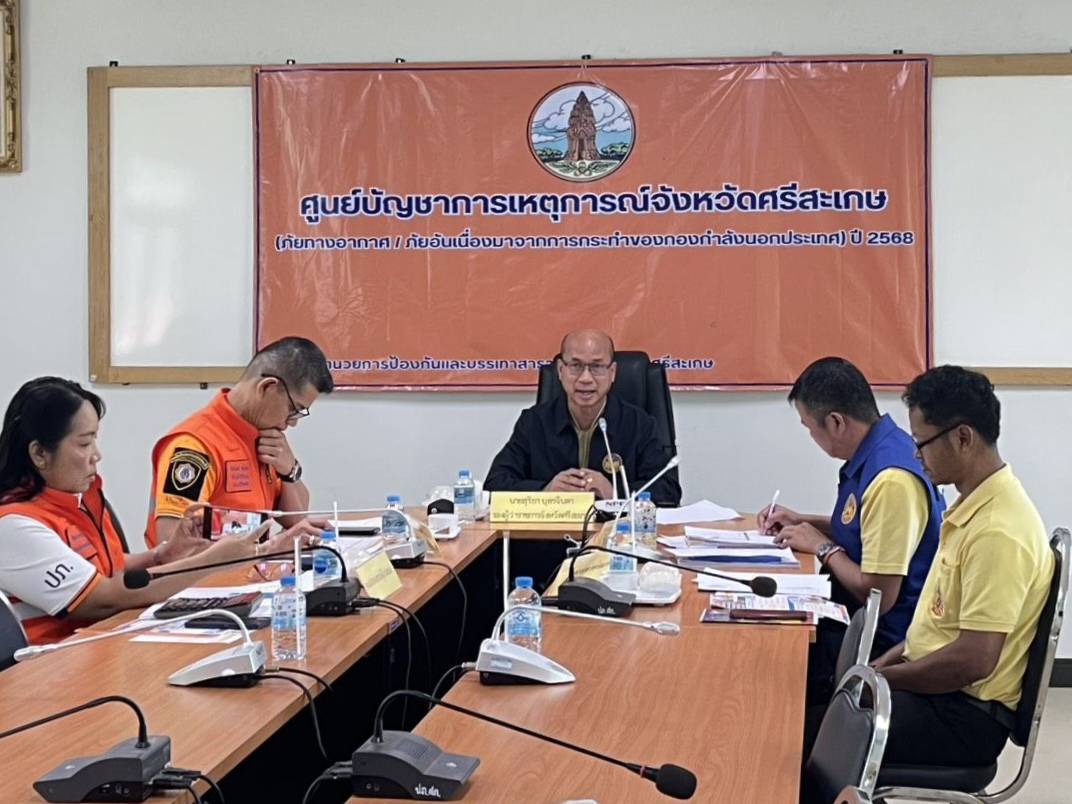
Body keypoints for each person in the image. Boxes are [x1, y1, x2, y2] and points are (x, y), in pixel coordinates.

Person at [0, 377, 321, 644]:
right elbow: (102, 597)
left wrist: (164, 554)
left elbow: (107, 566)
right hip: (55, 668)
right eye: (84, 444)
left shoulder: (77, 498)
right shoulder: (14, 524)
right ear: (40, 454)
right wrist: (213, 561)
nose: (96, 455)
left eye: (95, 440)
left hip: (105, 642)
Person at [869, 366, 1054, 766]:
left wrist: (882, 680)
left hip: (962, 719)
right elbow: (938, 630)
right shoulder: (974, 507)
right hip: (939, 694)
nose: (916, 455)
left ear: (963, 438)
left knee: (810, 740)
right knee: (818, 716)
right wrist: (885, 665)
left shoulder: (998, 531)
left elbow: (974, 660)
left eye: (921, 442)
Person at [758, 357, 944, 697]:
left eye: (809, 428)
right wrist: (803, 522)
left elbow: (878, 597)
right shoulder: (882, 447)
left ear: (835, 422)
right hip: (855, 618)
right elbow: (864, 531)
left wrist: (822, 547)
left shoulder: (891, 481)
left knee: (769, 661)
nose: (811, 437)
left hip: (882, 643)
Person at [145, 336, 333, 548]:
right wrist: (267, 549)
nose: (292, 422)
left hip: (255, 566)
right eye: (293, 409)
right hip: (214, 571)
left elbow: (296, 520)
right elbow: (172, 545)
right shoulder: (195, 446)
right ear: (267, 387)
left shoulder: (264, 437)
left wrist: (290, 471)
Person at [485, 329, 681, 506]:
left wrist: (614, 491)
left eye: (597, 366)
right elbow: (494, 485)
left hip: (616, 532)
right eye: (576, 366)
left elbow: (668, 491)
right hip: (552, 532)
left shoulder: (639, 424)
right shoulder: (534, 422)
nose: (585, 378)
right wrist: (545, 490)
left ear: (612, 372)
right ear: (560, 370)